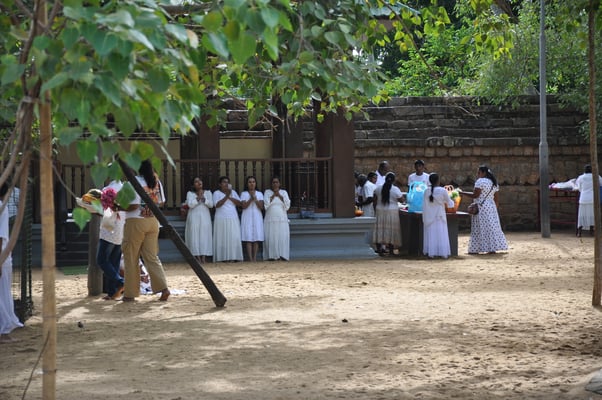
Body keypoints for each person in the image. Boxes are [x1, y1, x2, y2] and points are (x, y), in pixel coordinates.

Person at [121, 160, 170, 302]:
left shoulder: (132, 182)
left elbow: (132, 206)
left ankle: (130, 293)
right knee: (152, 256)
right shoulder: (156, 181)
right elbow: (161, 202)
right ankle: (163, 288)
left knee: (131, 257)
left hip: (136, 221)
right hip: (153, 221)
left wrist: (117, 207)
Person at [459, 165, 508, 254]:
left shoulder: (480, 181)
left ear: (483, 173)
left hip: (481, 207)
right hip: (491, 207)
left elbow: (475, 195)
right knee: (491, 227)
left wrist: (462, 193)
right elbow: (496, 199)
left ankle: (476, 249)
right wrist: (494, 210)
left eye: (479, 172)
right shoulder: (494, 183)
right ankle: (492, 248)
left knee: (479, 227)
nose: (477, 174)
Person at [0, 182, 23, 343]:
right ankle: (4, 329)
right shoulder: (2, 207)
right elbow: (0, 237)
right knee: (3, 294)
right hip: (2, 257)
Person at [97, 180, 126, 300]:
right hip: (121, 226)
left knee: (102, 260)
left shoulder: (107, 189)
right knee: (114, 261)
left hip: (109, 229)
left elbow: (100, 209)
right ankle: (112, 292)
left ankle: (119, 282)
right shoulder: (126, 189)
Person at [422, 173, 454, 258]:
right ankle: (442, 253)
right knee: (440, 233)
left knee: (431, 234)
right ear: (438, 180)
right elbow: (450, 203)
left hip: (430, 216)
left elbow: (425, 205)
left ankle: (431, 253)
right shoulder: (442, 190)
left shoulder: (426, 191)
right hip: (440, 215)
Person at [213, 176, 244, 262]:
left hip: (232, 217)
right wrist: (226, 196)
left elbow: (240, 203)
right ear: (220, 184)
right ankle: (222, 258)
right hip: (221, 218)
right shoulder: (216, 193)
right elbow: (217, 205)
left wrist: (229, 196)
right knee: (222, 237)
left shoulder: (233, 192)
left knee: (233, 237)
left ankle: (233, 257)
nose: (226, 184)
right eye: (224, 182)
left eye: (228, 182)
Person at [373, 172, 403, 255]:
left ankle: (379, 250)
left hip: (380, 211)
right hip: (392, 212)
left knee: (380, 229)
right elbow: (402, 200)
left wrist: (375, 209)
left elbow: (374, 199)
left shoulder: (378, 188)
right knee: (391, 230)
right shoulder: (395, 189)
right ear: (393, 180)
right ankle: (391, 251)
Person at [185, 177, 214, 264]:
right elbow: (190, 205)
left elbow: (211, 205)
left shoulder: (208, 193)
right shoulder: (190, 193)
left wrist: (204, 199)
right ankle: (197, 257)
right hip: (194, 216)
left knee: (204, 236)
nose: (199, 182)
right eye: (196, 181)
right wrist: (198, 198)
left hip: (205, 216)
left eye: (200, 180)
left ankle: (204, 257)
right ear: (193, 185)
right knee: (195, 236)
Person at [263, 176, 291, 261]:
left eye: (277, 182)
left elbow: (287, 206)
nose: (275, 184)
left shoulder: (284, 192)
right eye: (273, 182)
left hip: (281, 219)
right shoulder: (267, 192)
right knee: (271, 237)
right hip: (270, 218)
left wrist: (279, 196)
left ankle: (282, 255)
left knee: (282, 236)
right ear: (271, 184)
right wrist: (272, 196)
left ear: (279, 184)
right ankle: (272, 256)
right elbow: (265, 205)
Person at [240, 176, 264, 262]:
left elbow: (261, 207)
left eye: (253, 182)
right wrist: (251, 199)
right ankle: (250, 258)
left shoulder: (260, 193)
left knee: (256, 238)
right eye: (250, 182)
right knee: (249, 238)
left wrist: (256, 199)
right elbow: (243, 206)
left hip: (257, 216)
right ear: (247, 184)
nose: (252, 183)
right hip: (247, 216)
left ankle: (254, 258)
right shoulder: (244, 194)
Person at [575, 164, 602, 237]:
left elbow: (579, 188)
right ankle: (592, 231)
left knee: (581, 216)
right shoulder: (597, 176)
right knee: (593, 215)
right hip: (593, 198)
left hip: (583, 198)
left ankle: (579, 232)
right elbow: (601, 184)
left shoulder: (581, 177)